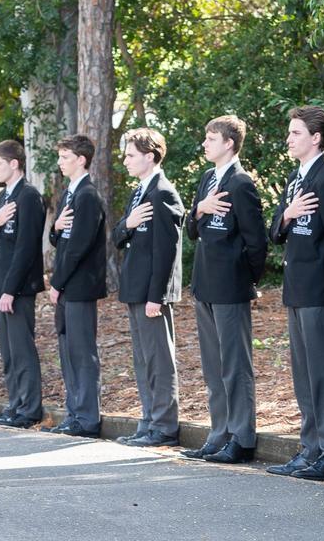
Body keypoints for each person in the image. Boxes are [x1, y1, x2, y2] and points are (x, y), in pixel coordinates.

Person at [266, 106, 324, 482]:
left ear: (316, 138)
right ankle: (310, 448)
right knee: (304, 374)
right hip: (296, 288)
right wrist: (287, 214)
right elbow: (275, 231)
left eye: (295, 133)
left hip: (320, 290)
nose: (289, 139)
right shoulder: (294, 178)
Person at [181, 115, 267, 464]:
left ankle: (241, 437)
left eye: (211, 138)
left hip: (230, 287)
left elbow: (257, 242)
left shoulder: (241, 182)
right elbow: (192, 231)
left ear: (229, 143)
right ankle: (218, 434)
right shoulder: (206, 179)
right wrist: (199, 209)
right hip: (204, 284)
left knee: (235, 366)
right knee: (214, 367)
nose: (204, 144)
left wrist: (246, 280)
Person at [112, 128, 183, 448]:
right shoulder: (139, 192)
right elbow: (116, 236)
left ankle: (164, 426)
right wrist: (128, 223)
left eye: (130, 155)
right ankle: (149, 421)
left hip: (151, 293)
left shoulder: (162, 193)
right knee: (143, 360)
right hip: (135, 288)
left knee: (159, 360)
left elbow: (167, 250)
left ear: (150, 156)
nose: (124, 160)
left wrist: (157, 295)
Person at [44, 134, 107, 438]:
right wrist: (54, 229)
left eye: (65, 157)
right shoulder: (69, 194)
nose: (60, 162)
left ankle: (88, 418)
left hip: (80, 285)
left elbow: (79, 246)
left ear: (81, 160)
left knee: (82, 352)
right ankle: (74, 412)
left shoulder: (88, 196)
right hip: (66, 286)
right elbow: (60, 239)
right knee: (67, 350)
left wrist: (57, 282)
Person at [0, 140, 46, 428]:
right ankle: (15, 403)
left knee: (22, 348)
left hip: (18, 288)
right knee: (8, 351)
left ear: (14, 164)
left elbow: (27, 247)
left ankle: (30, 408)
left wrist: (10, 289)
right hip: (0, 283)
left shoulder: (29, 196)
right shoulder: (1, 196)